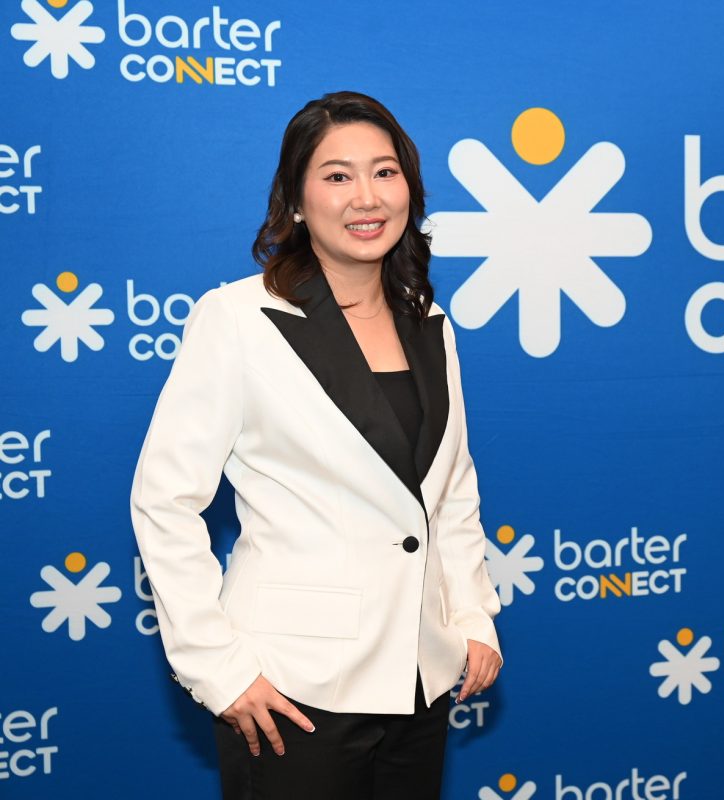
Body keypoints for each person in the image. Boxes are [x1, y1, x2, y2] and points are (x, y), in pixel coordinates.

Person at [130, 90, 502, 799]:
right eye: (337, 176)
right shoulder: (239, 318)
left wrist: (471, 615)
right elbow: (164, 501)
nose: (367, 197)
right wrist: (219, 669)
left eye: (385, 172)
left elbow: (450, 488)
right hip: (292, 688)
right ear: (296, 201)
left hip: (419, 676)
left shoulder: (428, 320)